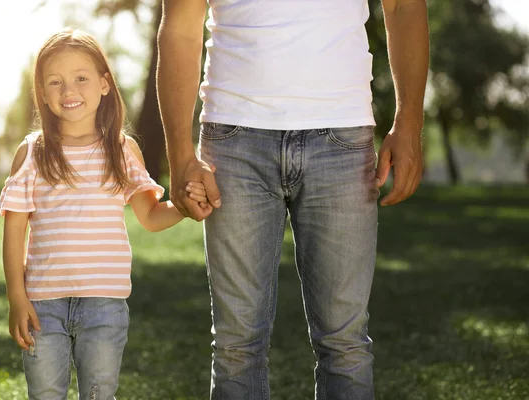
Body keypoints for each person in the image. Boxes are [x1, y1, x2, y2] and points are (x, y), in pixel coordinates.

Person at [157, 1, 428, 399]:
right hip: (234, 140)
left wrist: (408, 122)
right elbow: (180, 23)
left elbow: (404, 7)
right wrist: (179, 153)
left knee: (345, 345)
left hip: (342, 137)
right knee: (236, 347)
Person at [0, 28, 208, 399]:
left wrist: (184, 208)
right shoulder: (33, 152)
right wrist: (17, 297)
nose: (69, 91)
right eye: (55, 82)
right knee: (44, 392)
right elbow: (14, 229)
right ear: (43, 95)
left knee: (99, 393)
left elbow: (150, 216)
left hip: (105, 305)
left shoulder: (122, 150)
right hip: (43, 305)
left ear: (105, 84)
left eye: (81, 78)